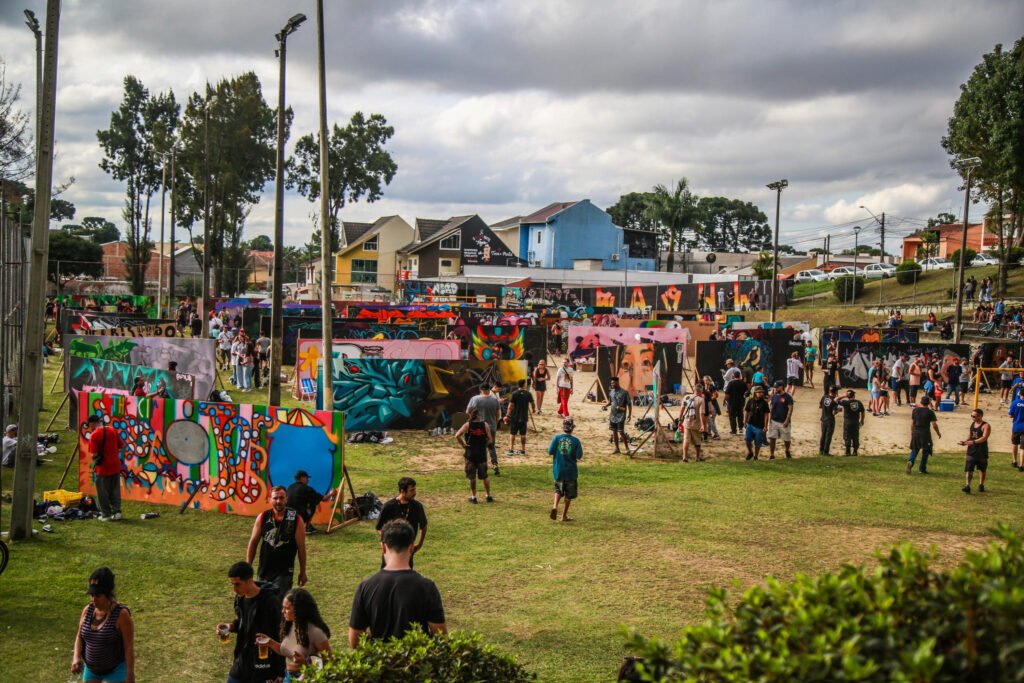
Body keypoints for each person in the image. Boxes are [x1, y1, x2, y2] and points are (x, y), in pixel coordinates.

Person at [349, 519, 447, 646]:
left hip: (379, 657)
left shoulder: (365, 587)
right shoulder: (427, 587)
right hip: (416, 657)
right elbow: (440, 637)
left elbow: (354, 640)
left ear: (383, 547)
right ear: (411, 547)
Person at [219, 561, 284, 683]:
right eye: (232, 584)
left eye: (237, 584)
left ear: (249, 581)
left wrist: (281, 671)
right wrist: (231, 626)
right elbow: (245, 622)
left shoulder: (270, 601)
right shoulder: (240, 599)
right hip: (242, 661)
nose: (234, 589)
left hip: (264, 665)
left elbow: (281, 634)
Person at [71, 567, 135, 683]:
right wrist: (76, 657)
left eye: (98, 595)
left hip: (115, 670)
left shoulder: (121, 615)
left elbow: (128, 647)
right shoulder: (87, 611)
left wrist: (130, 675)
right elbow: (79, 637)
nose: (93, 599)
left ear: (109, 593)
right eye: (91, 595)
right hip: (91, 670)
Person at [256, 588, 332, 682]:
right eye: (283, 607)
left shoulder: (315, 632)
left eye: (287, 608)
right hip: (288, 676)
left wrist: (305, 662)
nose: (282, 611)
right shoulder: (290, 625)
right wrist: (270, 642)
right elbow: (286, 650)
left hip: (305, 678)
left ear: (299, 610)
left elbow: (329, 661)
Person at [246, 486, 307, 594]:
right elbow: (253, 543)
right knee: (263, 601)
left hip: (284, 573)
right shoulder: (263, 517)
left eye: (281, 498)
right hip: (264, 570)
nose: (278, 501)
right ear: (270, 499)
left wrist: (303, 572)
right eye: (275, 498)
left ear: (286, 499)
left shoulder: (295, 519)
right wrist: (248, 567)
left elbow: (301, 548)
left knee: (278, 602)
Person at [376, 477, 429, 566]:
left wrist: (419, 545)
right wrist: (387, 541)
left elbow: (424, 526)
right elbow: (379, 527)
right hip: (391, 550)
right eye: (411, 490)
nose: (414, 493)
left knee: (406, 573)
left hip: (408, 550)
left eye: (415, 489)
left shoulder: (417, 506)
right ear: (402, 491)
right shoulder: (388, 506)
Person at [87, 414, 125, 521]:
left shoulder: (94, 435)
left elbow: (94, 454)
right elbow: (121, 445)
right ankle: (117, 512)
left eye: (89, 425)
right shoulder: (112, 430)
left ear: (92, 424)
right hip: (115, 465)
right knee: (115, 490)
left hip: (103, 467)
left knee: (102, 491)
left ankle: (106, 514)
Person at [455, 409, 494, 504]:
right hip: (481, 454)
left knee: (472, 477)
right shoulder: (485, 425)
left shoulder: (467, 425)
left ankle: (474, 497)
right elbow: (490, 440)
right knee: (485, 476)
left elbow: (457, 435)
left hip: (470, 454)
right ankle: (488, 495)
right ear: (478, 416)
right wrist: (484, 445)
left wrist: (464, 445)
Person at [548, 418, 583, 521]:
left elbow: (550, 451)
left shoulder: (556, 438)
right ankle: (564, 515)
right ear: (572, 428)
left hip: (558, 469)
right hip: (570, 472)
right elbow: (579, 455)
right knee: (569, 494)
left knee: (558, 490)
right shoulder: (576, 441)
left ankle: (555, 506)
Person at [286, 470, 336, 534]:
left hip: (288, 516)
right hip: (298, 517)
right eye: (307, 478)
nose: (308, 480)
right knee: (313, 504)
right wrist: (331, 493)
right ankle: (308, 527)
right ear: (302, 478)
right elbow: (324, 499)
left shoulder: (290, 487)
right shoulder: (306, 489)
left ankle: (299, 525)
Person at [466, 384, 501, 475]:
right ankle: (495, 464)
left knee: (480, 447)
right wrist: (495, 424)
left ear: (481, 390)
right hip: (491, 426)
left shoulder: (475, 399)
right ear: (489, 390)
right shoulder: (495, 400)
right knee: (491, 446)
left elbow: (468, 411)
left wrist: (473, 420)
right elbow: (498, 415)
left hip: (479, 426)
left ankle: (482, 466)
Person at [906, 395, 941, 474]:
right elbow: (934, 425)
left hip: (916, 432)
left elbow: (912, 423)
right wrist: (938, 433)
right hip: (925, 433)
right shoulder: (930, 412)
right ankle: (922, 469)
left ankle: (911, 461)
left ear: (921, 402)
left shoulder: (915, 410)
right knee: (926, 450)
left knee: (915, 449)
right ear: (928, 403)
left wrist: (912, 432)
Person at [960, 408, 990, 494]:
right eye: (971, 416)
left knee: (982, 469)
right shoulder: (973, 424)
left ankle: (981, 484)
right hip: (971, 451)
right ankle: (967, 486)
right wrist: (965, 442)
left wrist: (973, 442)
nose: (972, 417)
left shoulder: (986, 426)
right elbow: (970, 434)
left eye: (974, 416)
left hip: (982, 451)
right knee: (969, 469)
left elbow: (984, 437)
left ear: (980, 416)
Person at [504, 379, 534, 456]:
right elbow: (532, 403)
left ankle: (511, 450)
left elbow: (510, 406)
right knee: (523, 434)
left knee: (512, 433)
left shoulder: (514, 394)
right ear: (524, 385)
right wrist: (533, 409)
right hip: (524, 417)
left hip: (515, 417)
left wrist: (507, 415)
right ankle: (523, 450)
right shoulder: (528, 394)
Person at [767, 380, 794, 459]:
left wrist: (787, 420)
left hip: (784, 422)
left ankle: (787, 450)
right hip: (774, 421)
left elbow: (790, 409)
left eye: (777, 387)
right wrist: (770, 420)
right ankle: (772, 454)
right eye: (775, 387)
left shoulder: (788, 397)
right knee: (772, 438)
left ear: (781, 387)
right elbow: (771, 408)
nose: (775, 388)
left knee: (786, 439)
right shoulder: (774, 396)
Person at [605, 376, 632, 454]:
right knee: (614, 432)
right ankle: (617, 448)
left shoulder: (624, 392)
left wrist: (629, 415)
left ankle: (627, 449)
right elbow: (610, 402)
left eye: (613, 383)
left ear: (617, 382)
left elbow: (629, 404)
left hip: (621, 415)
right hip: (613, 415)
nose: (612, 384)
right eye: (611, 383)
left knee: (621, 432)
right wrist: (605, 406)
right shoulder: (611, 392)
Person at [743, 385, 770, 460]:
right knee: (747, 440)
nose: (761, 393)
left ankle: (756, 456)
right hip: (750, 424)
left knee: (758, 443)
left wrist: (765, 426)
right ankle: (750, 452)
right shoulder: (750, 401)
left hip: (759, 426)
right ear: (755, 393)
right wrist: (744, 421)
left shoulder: (764, 403)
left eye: (762, 392)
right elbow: (746, 411)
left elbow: (766, 414)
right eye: (759, 392)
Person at [680, 386, 706, 462]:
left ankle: (685, 457)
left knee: (686, 439)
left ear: (694, 390)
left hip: (687, 422)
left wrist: (679, 419)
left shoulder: (686, 397)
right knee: (697, 440)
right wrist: (703, 425)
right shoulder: (701, 400)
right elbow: (701, 413)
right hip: (696, 423)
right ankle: (697, 457)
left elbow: (682, 409)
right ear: (701, 391)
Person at [838, 389, 866, 457]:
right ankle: (855, 451)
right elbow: (863, 411)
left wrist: (844, 396)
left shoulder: (845, 402)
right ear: (854, 395)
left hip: (847, 422)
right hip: (856, 422)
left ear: (848, 396)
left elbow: (836, 400)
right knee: (855, 436)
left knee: (847, 436)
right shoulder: (858, 402)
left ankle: (848, 452)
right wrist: (862, 420)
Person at [723, 371, 748, 436]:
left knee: (732, 416)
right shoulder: (743, 383)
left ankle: (734, 431)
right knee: (740, 415)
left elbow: (727, 393)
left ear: (733, 376)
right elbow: (747, 392)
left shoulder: (731, 383)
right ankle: (740, 428)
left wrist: (725, 400)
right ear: (739, 376)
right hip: (741, 402)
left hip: (732, 402)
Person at [818, 385, 840, 456]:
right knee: (828, 436)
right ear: (835, 392)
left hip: (823, 418)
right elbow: (834, 412)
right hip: (830, 420)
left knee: (823, 435)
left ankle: (821, 450)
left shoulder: (824, 397)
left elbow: (820, 406)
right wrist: (838, 410)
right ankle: (826, 451)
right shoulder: (834, 400)